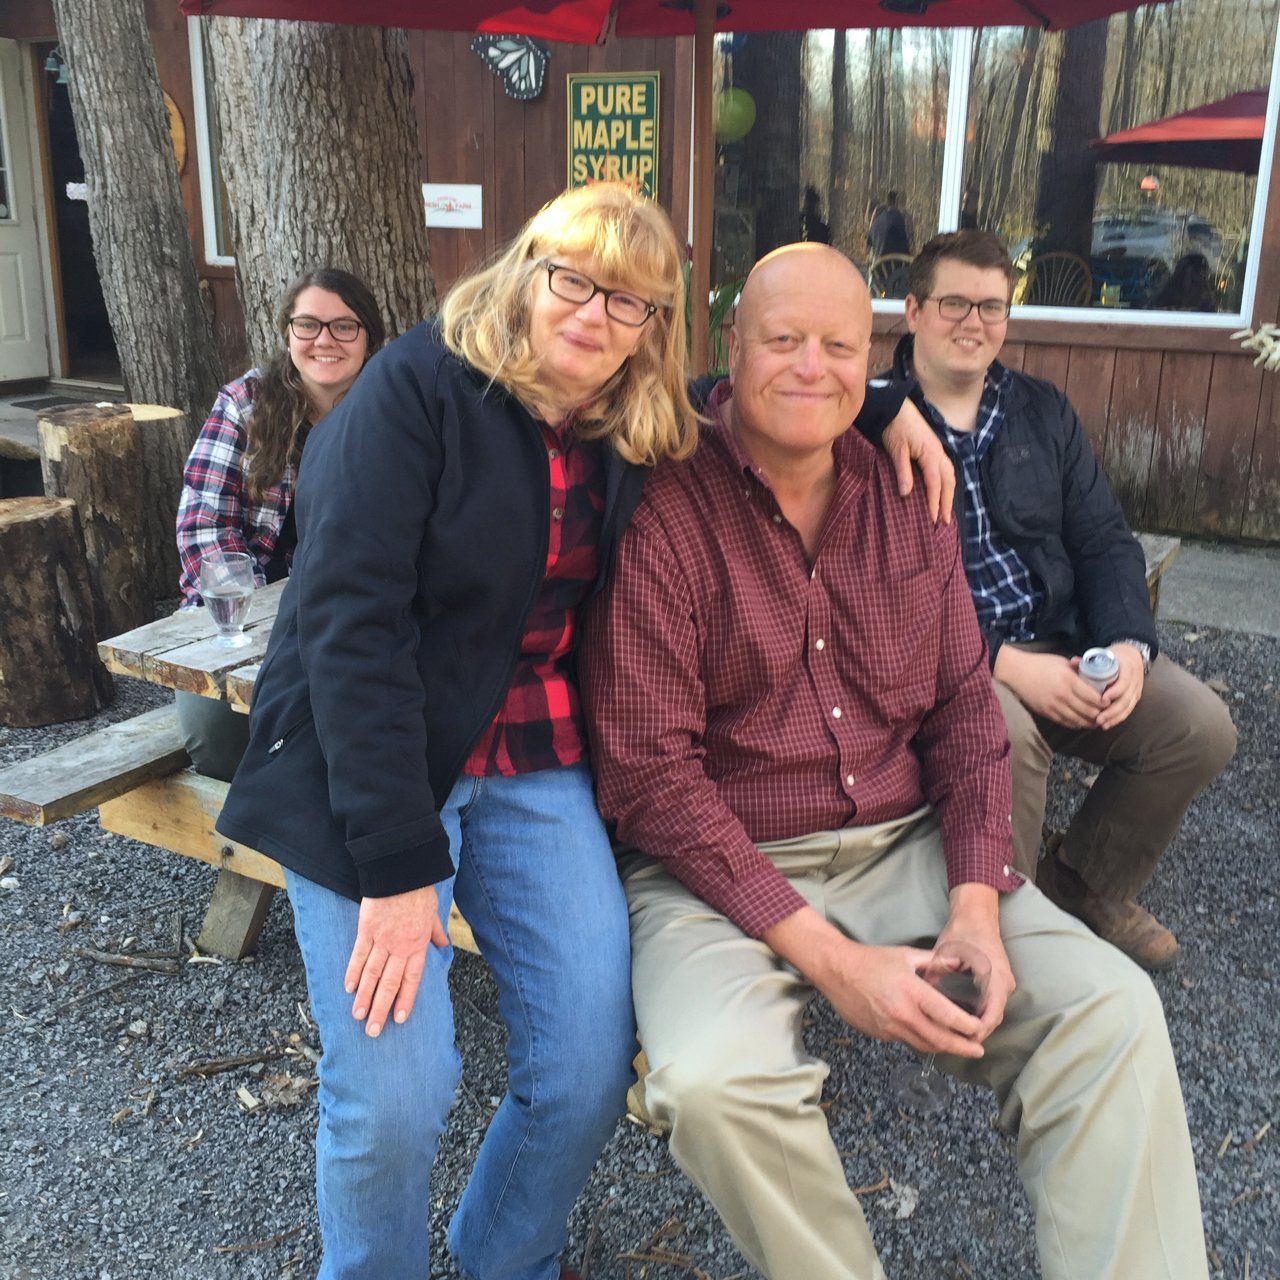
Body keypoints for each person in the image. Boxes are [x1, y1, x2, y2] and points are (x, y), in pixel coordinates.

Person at [211, 184, 948, 1280]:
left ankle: (506, 1250)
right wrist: (401, 864)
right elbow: (347, 638)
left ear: (652, 327)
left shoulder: (627, 420)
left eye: (630, 300)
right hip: (371, 767)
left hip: (532, 761)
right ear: (523, 270)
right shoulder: (412, 394)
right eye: (573, 278)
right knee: (398, 1092)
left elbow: (762, 384)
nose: (594, 313)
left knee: (588, 1059)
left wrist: (881, 399)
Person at [581, 241, 1209, 1280]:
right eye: (780, 339)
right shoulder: (665, 509)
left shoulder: (907, 495)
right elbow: (651, 781)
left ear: (871, 363)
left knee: (1107, 1010)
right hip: (715, 863)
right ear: (727, 349)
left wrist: (973, 899)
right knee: (707, 1080)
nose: (808, 367)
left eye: (837, 346)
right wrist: (836, 965)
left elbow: (966, 710)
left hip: (902, 843)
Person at [893, 230, 1235, 969]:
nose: (973, 322)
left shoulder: (1042, 413)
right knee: (1004, 733)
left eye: (991, 306)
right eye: (954, 302)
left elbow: (1106, 540)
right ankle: (1003, 928)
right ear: (913, 311)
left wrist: (1126, 646)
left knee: (1199, 725)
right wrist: (1003, 664)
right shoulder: (867, 425)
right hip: (941, 665)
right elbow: (875, 594)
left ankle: (1084, 881)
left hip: (1062, 642)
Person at [174, 268, 385, 780]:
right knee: (215, 736)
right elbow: (203, 526)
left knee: (361, 731)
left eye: (344, 327)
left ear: (369, 338)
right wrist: (260, 616)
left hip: (354, 615)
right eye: (308, 324)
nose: (324, 341)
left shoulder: (392, 410)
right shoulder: (245, 404)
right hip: (241, 620)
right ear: (288, 332)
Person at [866, 189, 909, 257]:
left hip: (878, 264)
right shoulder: (901, 218)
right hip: (897, 264)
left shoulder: (877, 221)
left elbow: (868, 243)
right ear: (896, 202)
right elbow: (908, 246)